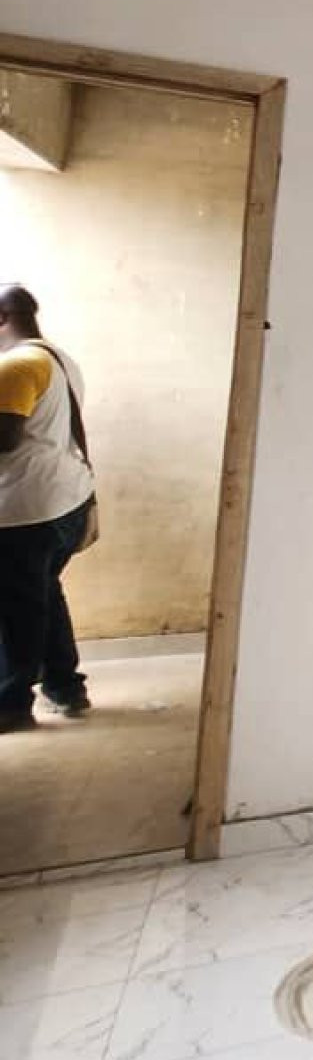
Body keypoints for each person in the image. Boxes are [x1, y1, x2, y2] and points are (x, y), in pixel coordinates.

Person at [0, 284, 98, 732]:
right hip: (64, 501)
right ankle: (65, 686)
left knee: (15, 610)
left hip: (25, 509)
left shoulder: (16, 365)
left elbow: (5, 438)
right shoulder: (58, 358)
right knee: (41, 594)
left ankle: (11, 703)